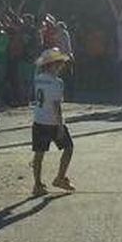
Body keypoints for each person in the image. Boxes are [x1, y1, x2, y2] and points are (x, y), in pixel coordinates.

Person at [31, 47, 75, 196]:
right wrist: (60, 125)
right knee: (68, 148)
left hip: (39, 119)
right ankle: (60, 177)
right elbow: (56, 105)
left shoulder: (38, 77)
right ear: (53, 65)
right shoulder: (57, 82)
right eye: (59, 63)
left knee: (39, 153)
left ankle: (37, 184)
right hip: (52, 121)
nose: (61, 66)